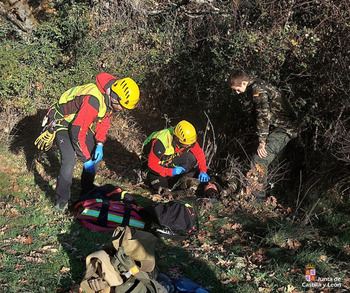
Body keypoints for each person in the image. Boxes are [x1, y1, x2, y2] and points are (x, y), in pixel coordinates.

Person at [37, 73, 140, 212]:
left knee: (95, 156)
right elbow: (76, 132)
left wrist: (100, 144)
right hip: (62, 121)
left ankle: (86, 192)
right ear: (116, 98)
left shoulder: (110, 98)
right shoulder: (94, 100)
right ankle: (61, 202)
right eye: (123, 107)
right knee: (69, 161)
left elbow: (103, 123)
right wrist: (85, 159)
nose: (123, 110)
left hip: (77, 122)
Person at [228, 69, 297, 200]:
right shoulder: (256, 84)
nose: (237, 93)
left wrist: (262, 141)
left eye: (237, 89)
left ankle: (257, 199)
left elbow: (263, 116)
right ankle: (273, 196)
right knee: (273, 162)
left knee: (259, 159)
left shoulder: (258, 90)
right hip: (278, 126)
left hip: (284, 128)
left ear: (244, 82)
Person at [141, 120, 210, 193]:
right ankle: (149, 176)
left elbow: (199, 154)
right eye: (186, 144)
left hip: (168, 160)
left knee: (191, 159)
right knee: (163, 188)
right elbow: (152, 165)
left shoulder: (188, 140)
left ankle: (175, 180)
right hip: (153, 165)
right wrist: (171, 172)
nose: (189, 146)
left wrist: (203, 171)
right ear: (178, 139)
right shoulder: (161, 141)